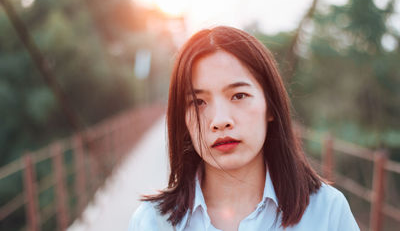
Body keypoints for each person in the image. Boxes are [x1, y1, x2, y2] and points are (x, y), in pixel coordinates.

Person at [128, 26, 360, 231]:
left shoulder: (326, 211)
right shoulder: (152, 222)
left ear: (270, 106)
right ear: (183, 119)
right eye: (198, 102)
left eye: (239, 95)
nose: (220, 120)